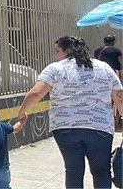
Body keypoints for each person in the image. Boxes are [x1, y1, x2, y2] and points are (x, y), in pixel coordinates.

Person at [17, 36, 123, 189]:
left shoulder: (55, 68)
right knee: (101, 170)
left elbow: (35, 94)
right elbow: (119, 98)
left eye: (57, 51)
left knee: (73, 170)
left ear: (67, 51)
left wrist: (21, 112)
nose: (56, 55)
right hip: (100, 128)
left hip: (65, 127)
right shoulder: (104, 67)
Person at [93, 35, 123, 130]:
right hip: (114, 73)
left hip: (99, 75)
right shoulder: (116, 51)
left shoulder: (97, 50)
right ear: (113, 42)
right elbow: (121, 62)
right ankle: (116, 125)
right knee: (117, 99)